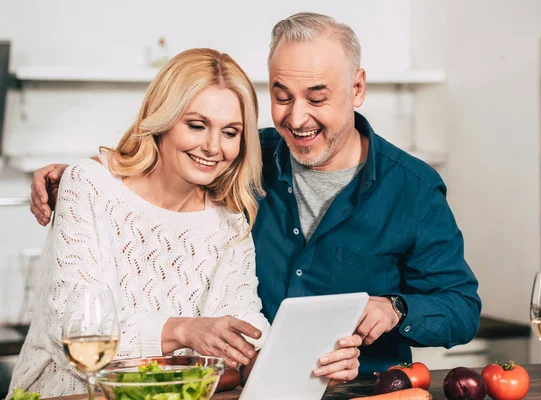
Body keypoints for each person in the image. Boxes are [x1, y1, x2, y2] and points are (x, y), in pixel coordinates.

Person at [30, 12, 481, 376]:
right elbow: (169, 161)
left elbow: (461, 307)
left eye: (317, 98)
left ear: (357, 88)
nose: (297, 117)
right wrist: (79, 177)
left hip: (364, 388)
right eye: (282, 95)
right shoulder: (249, 157)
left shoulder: (413, 189)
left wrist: (396, 308)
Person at [13, 48, 360, 398]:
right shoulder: (88, 186)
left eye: (230, 132)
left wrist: (313, 363)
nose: (212, 146)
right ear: (162, 120)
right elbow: (70, 332)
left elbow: (245, 328)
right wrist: (183, 331)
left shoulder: (229, 220)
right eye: (196, 125)